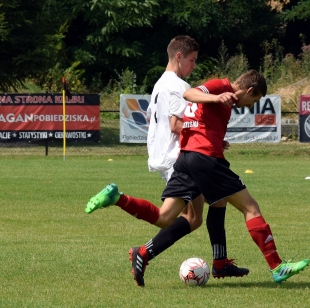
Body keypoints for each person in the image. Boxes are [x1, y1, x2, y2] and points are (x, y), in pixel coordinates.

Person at [86, 70, 310, 286]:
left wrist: (214, 136)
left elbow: (197, 119)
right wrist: (216, 96)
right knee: (250, 207)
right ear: (249, 89)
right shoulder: (221, 86)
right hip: (205, 160)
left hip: (187, 159)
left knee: (166, 217)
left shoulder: (225, 103)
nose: (251, 106)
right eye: (254, 100)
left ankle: (118, 200)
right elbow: (189, 94)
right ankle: (277, 266)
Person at [86, 35, 248, 286]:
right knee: (178, 216)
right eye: (192, 60)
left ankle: (218, 261)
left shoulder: (160, 84)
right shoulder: (177, 86)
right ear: (179, 56)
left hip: (168, 155)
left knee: (207, 207)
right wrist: (201, 136)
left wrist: (208, 137)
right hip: (181, 157)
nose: (194, 66)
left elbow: (154, 120)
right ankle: (143, 247)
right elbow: (175, 125)